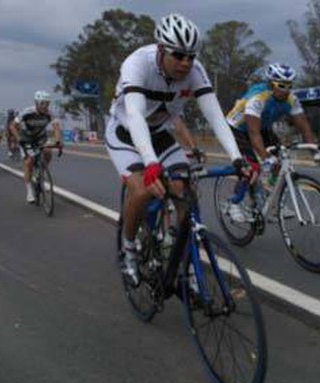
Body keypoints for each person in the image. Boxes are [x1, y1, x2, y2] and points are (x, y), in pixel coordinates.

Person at [104, 12, 252, 284]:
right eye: (178, 55)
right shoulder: (137, 64)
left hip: (159, 133)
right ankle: (128, 249)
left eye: (191, 56)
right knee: (141, 189)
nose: (186, 63)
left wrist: (237, 158)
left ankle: (186, 257)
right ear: (161, 49)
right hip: (125, 132)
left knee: (183, 188)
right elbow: (135, 115)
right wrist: (149, 162)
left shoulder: (195, 71)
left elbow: (216, 116)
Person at [225, 62, 320, 222]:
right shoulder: (258, 97)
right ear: (271, 84)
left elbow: (304, 127)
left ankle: (269, 200)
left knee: (280, 161)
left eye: (289, 86)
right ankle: (234, 203)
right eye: (281, 85)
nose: (286, 90)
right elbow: (253, 133)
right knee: (252, 167)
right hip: (237, 128)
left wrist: (315, 151)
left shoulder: (291, 100)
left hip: (262, 127)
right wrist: (266, 158)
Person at [9, 90, 63, 203]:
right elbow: (12, 126)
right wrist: (19, 139)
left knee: (48, 151)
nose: (45, 106)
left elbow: (56, 127)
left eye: (47, 103)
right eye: (42, 103)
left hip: (40, 137)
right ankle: (29, 191)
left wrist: (58, 141)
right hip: (26, 138)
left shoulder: (50, 113)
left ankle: (41, 171)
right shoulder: (27, 112)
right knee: (29, 161)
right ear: (36, 103)